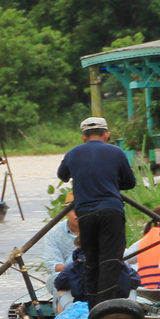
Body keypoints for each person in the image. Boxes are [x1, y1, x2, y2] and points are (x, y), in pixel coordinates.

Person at [57, 116, 136, 308]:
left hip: (85, 214)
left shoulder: (72, 154)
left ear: (84, 137)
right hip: (111, 211)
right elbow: (130, 182)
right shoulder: (117, 152)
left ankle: (93, 308)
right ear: (107, 135)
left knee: (91, 261)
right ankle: (106, 308)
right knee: (110, 260)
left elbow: (62, 175)